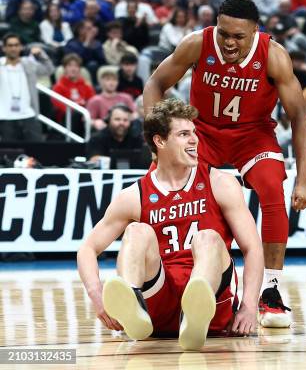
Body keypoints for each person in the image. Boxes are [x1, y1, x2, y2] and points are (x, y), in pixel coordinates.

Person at [144, 0, 306, 328]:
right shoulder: (197, 44)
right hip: (202, 131)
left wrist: (304, 179)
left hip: (253, 135)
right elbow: (155, 84)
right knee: (165, 187)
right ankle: (160, 280)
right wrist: (156, 141)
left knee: (270, 188)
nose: (230, 42)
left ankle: (271, 291)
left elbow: (300, 117)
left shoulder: (273, 56)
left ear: (255, 32)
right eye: (224, 34)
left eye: (239, 36)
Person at [77, 99, 263, 350]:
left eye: (194, 133)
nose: (194, 140)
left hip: (212, 299)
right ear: (160, 141)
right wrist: (97, 296)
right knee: (136, 231)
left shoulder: (220, 183)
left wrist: (249, 307)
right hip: (160, 296)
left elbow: (253, 248)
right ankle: (133, 303)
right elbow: (87, 248)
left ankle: (194, 313)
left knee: (207, 237)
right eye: (184, 134)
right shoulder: (135, 195)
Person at [0, 34, 53, 142]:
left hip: (29, 114)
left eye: (16, 45)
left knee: (36, 152)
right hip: (5, 116)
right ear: (4, 48)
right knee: (9, 155)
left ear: (21, 47)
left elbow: (49, 70)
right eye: (10, 45)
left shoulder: (28, 63)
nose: (13, 48)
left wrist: (41, 55)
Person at [52, 53, 96, 130]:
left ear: (79, 69)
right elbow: (61, 108)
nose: (73, 69)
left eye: (76, 66)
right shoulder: (58, 87)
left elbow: (93, 103)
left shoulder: (87, 87)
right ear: (65, 68)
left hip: (85, 119)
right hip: (66, 121)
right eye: (70, 66)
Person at [87, 66, 137, 130]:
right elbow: (87, 120)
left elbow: (135, 114)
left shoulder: (126, 97)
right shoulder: (95, 100)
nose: (112, 83)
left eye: (114, 80)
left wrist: (131, 117)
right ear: (101, 82)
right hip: (105, 131)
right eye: (108, 79)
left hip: (126, 130)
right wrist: (94, 122)